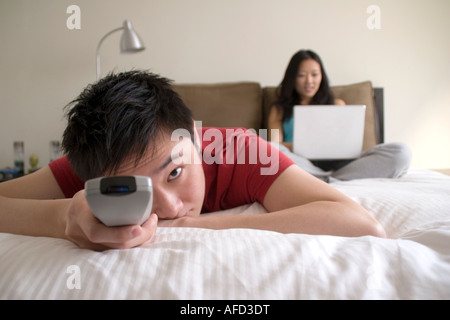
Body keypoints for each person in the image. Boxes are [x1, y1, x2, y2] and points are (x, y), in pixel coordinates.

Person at [0, 70, 385, 251]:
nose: (169, 208)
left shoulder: (240, 150)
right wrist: (65, 216)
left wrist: (198, 225)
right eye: (137, 190)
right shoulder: (96, 166)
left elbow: (363, 224)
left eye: (175, 172)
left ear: (196, 138)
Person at [268, 50, 411, 181]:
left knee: (401, 152)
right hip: (302, 163)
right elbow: (275, 143)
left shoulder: (337, 104)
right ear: (292, 78)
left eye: (315, 74)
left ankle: (325, 180)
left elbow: (345, 141)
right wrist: (307, 146)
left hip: (341, 165)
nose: (309, 81)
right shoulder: (278, 109)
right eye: (301, 75)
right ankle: (333, 180)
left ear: (322, 77)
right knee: (271, 150)